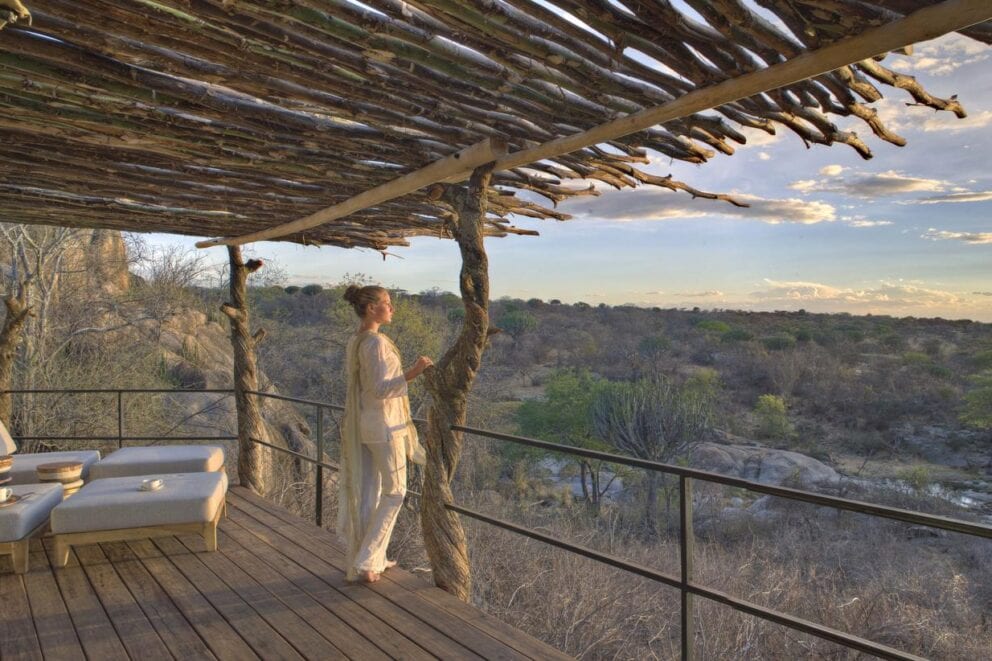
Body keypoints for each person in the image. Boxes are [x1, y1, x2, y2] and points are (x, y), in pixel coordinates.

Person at [339, 284, 432, 583]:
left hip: (369, 423)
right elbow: (380, 389)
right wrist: (413, 372)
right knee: (396, 492)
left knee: (372, 492)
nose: (392, 308)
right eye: (387, 303)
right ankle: (367, 559)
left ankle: (370, 559)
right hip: (383, 425)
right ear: (370, 308)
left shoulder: (358, 340)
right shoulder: (374, 343)